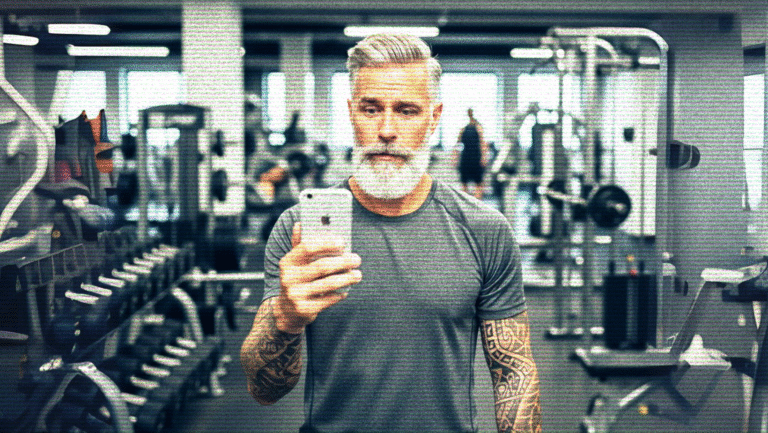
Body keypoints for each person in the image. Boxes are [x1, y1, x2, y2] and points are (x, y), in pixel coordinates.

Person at [240, 33, 542, 433]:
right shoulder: (299, 230)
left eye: (406, 111)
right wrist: (287, 317)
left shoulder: (485, 230)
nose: (385, 129)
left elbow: (513, 372)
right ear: (351, 113)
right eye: (370, 109)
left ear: (433, 119)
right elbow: (265, 389)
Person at [454, 107, 489, 200]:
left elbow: (483, 144)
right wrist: (455, 157)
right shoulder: (463, 129)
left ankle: (477, 207)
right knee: (465, 185)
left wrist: (484, 157)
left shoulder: (478, 128)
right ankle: (466, 208)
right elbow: (457, 145)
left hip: (475, 158)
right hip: (466, 158)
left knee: (478, 184)